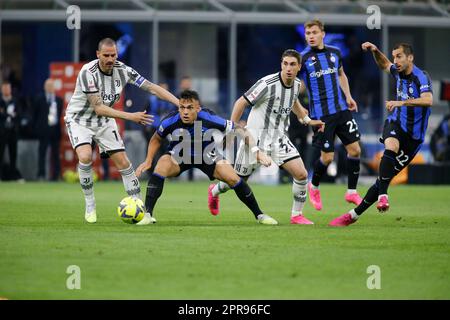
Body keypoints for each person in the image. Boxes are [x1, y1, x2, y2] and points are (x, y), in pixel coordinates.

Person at [64, 37, 179, 224]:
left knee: (124, 163)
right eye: (106, 55)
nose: (110, 59)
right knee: (85, 156)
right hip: (80, 120)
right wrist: (131, 116)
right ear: (98, 54)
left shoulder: (123, 70)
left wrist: (178, 103)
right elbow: (98, 107)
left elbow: (152, 88)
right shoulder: (87, 72)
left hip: (104, 121)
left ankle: (141, 210)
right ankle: (90, 204)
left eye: (114, 55)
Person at [208, 49, 324, 225]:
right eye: (285, 64)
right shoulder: (267, 84)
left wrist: (307, 120)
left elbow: (293, 102)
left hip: (279, 138)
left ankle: (296, 215)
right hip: (254, 139)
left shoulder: (296, 85)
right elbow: (240, 102)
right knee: (237, 181)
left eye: (293, 64)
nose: (288, 68)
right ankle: (215, 190)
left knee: (301, 174)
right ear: (281, 64)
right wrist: (231, 129)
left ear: (299, 67)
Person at [136, 89, 278, 225]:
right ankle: (147, 214)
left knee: (234, 178)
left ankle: (259, 215)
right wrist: (148, 161)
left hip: (206, 156)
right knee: (162, 164)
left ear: (198, 109)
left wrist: (256, 151)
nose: (185, 112)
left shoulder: (208, 117)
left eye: (190, 108)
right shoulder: (170, 120)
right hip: (179, 156)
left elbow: (240, 129)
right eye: (182, 107)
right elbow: (156, 139)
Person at [329, 42, 433, 227]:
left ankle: (353, 215)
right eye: (394, 57)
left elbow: (428, 100)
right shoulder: (397, 71)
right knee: (391, 146)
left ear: (410, 57)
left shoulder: (420, 77)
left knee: (381, 180)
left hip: (414, 138)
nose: (396, 61)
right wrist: (375, 51)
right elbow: (384, 64)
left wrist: (401, 103)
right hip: (396, 123)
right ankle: (384, 196)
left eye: (399, 56)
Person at [299, 20, 363, 211]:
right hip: (321, 116)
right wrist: (300, 109)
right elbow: (295, 84)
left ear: (322, 34)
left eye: (314, 32)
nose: (310, 36)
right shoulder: (303, 58)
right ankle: (314, 185)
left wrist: (349, 96)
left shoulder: (335, 52)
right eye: (307, 33)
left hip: (342, 110)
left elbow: (341, 75)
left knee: (355, 150)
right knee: (327, 158)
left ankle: (351, 192)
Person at [34, 78, 64, 181]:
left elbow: (60, 115)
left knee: (56, 154)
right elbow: (35, 115)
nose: (49, 87)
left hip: (55, 131)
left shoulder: (59, 100)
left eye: (51, 85)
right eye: (47, 85)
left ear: (54, 87)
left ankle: (56, 176)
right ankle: (41, 175)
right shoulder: (39, 99)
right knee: (42, 153)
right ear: (44, 87)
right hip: (43, 131)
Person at [0, 81, 23, 181]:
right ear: (2, 89)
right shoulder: (0, 101)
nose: (6, 90)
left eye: (8, 88)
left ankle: (13, 176)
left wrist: (4, 113)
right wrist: (8, 114)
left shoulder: (15, 101)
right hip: (1, 132)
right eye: (4, 88)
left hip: (13, 131)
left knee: (13, 154)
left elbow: (19, 114)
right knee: (0, 154)